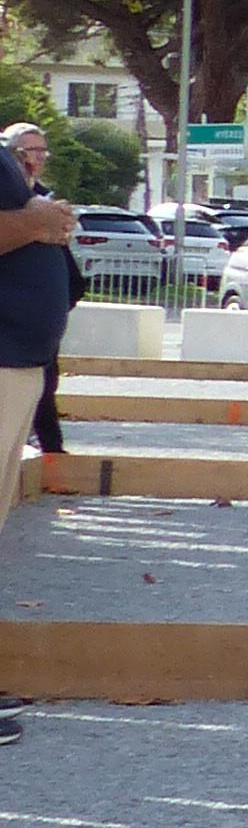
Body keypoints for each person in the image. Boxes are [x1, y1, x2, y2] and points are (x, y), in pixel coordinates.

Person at [0, 113, 77, 554]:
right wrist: (37, 222)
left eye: (41, 152)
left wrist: (46, 219)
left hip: (24, 359)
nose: (37, 159)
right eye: (28, 152)